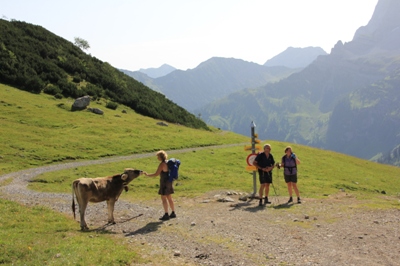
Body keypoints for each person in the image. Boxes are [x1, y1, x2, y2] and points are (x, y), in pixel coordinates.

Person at [144, 150, 176, 221]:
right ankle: (173, 212)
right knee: (170, 198)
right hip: (170, 182)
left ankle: (166, 214)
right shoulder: (168, 162)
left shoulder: (162, 164)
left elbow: (156, 174)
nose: (157, 158)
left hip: (164, 182)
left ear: (160, 157)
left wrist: (147, 175)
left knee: (164, 198)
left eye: (158, 156)